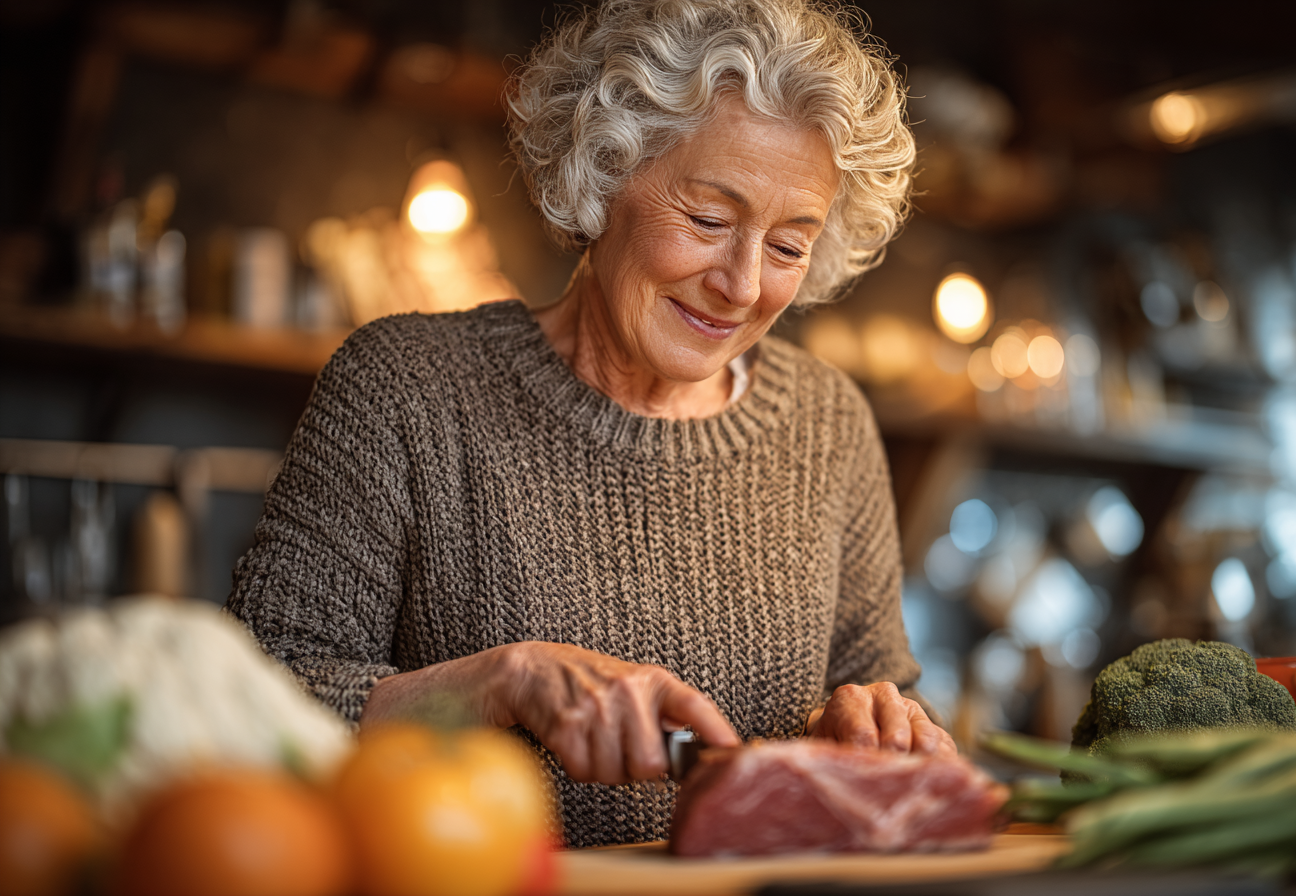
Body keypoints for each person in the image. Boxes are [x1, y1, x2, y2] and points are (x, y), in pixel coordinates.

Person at [227, 0, 954, 848]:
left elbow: (888, 705)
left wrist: (884, 736)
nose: (744, 283)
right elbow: (248, 708)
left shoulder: (829, 425)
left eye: (789, 245)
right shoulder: (404, 390)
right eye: (710, 222)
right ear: (601, 175)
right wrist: (498, 683)